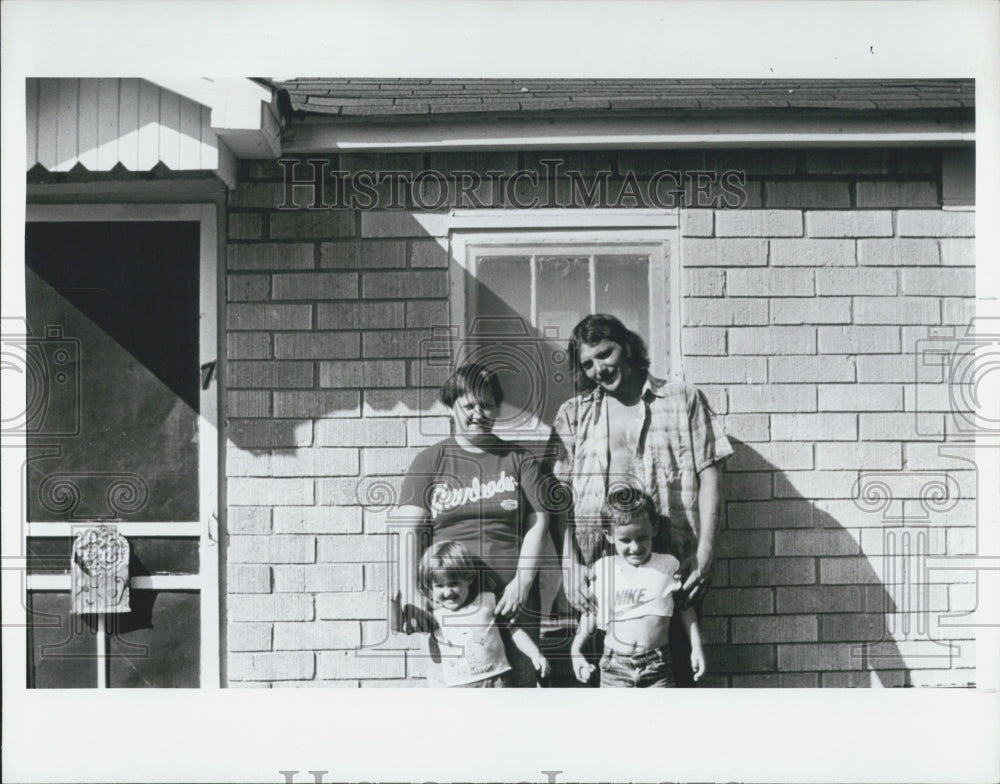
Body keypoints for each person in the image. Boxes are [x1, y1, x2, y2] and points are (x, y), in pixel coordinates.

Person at [548, 313, 731, 686]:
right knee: (605, 689)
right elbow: (557, 497)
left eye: (605, 354)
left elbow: (712, 473)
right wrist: (569, 565)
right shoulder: (574, 414)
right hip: (598, 573)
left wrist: (707, 552)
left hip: (673, 566)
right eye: (588, 363)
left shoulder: (683, 399)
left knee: (676, 681)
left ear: (627, 346)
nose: (599, 368)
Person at [391, 362, 551, 687]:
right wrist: (412, 592)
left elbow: (539, 522)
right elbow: (409, 531)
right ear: (451, 408)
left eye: (487, 404)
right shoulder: (431, 461)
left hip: (511, 605)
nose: (479, 412)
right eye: (469, 405)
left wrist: (523, 582)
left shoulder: (519, 459)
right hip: (451, 605)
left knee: (517, 695)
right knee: (456, 697)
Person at [571, 487, 705, 687]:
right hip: (614, 667)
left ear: (655, 529)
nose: (635, 547)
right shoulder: (603, 569)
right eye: (625, 540)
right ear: (609, 535)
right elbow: (591, 612)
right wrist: (576, 650)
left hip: (657, 667)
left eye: (642, 538)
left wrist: (696, 647)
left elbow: (685, 608)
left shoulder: (668, 565)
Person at [419, 540, 550, 687]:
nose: (448, 592)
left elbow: (514, 630)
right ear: (431, 585)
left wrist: (535, 654)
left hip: (497, 682)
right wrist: (394, 604)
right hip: (458, 688)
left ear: (468, 578)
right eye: (440, 586)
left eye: (454, 584)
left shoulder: (488, 601)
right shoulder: (433, 612)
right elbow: (400, 627)